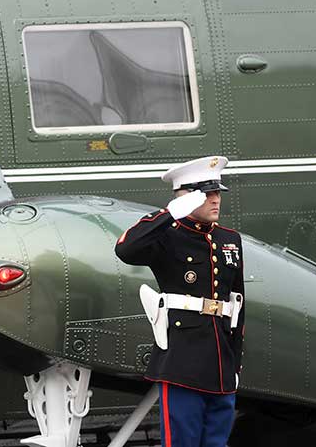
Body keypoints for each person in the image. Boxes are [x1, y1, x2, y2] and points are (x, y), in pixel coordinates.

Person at [114, 156, 245, 447]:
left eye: (217, 193)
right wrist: (169, 214)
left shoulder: (229, 239)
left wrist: (234, 364)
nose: (216, 200)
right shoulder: (168, 236)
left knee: (216, 443)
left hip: (221, 363)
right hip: (181, 361)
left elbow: (237, 306)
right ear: (187, 197)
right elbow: (126, 249)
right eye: (207, 194)